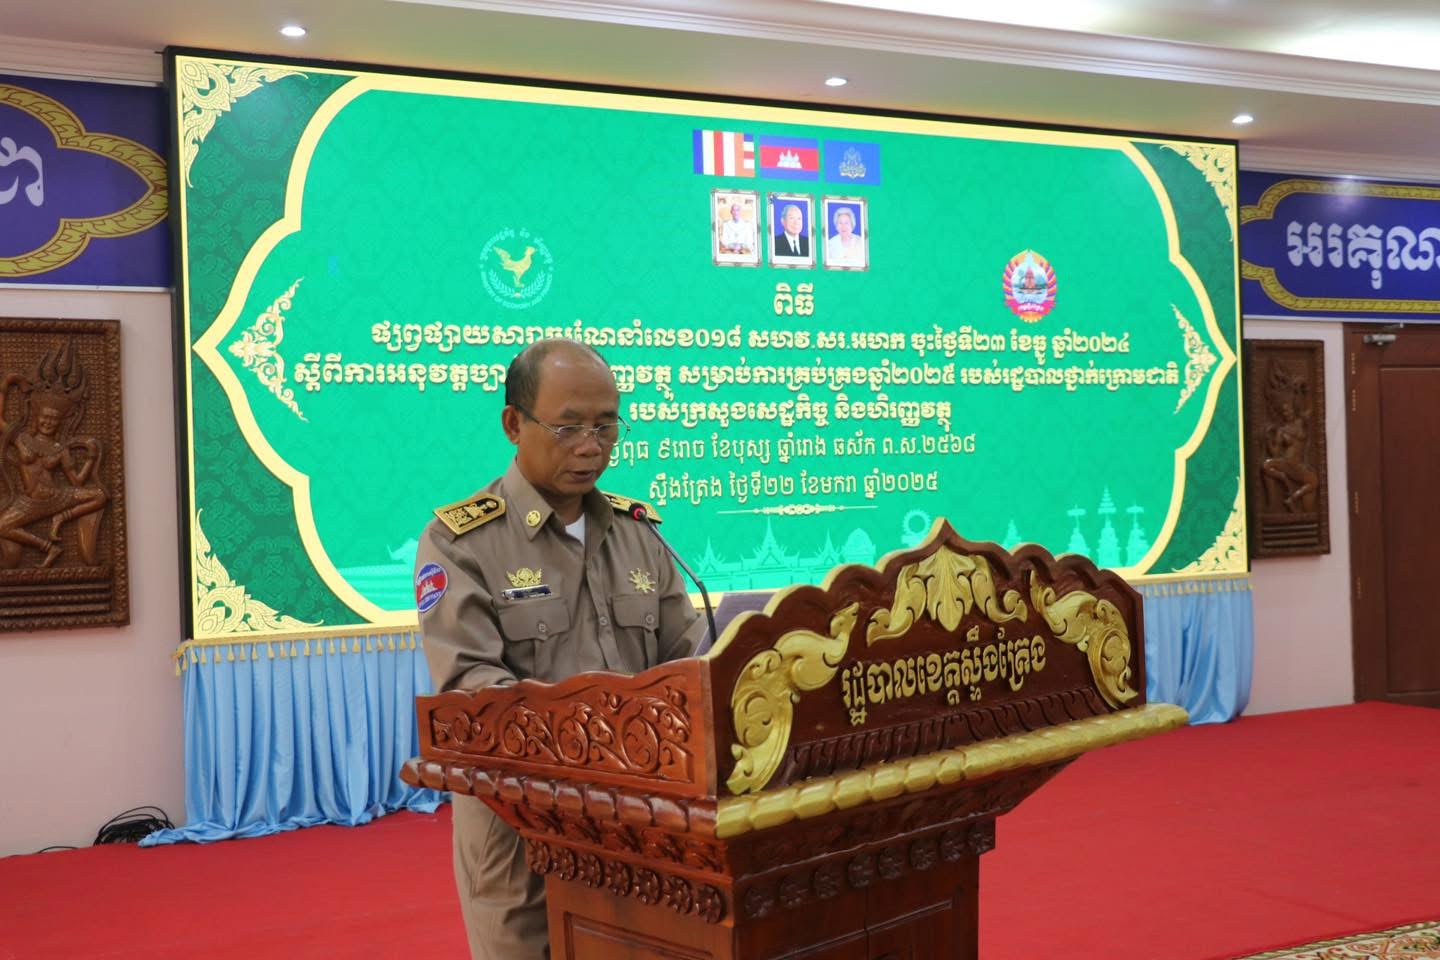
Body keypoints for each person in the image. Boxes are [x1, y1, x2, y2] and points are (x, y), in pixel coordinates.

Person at [414, 338, 706, 960]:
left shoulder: (640, 534)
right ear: (513, 424)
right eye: (568, 427)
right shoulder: (461, 543)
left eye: (606, 426)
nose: (591, 446)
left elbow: (689, 669)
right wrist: (604, 747)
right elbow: (472, 690)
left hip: (642, 831)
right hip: (522, 837)